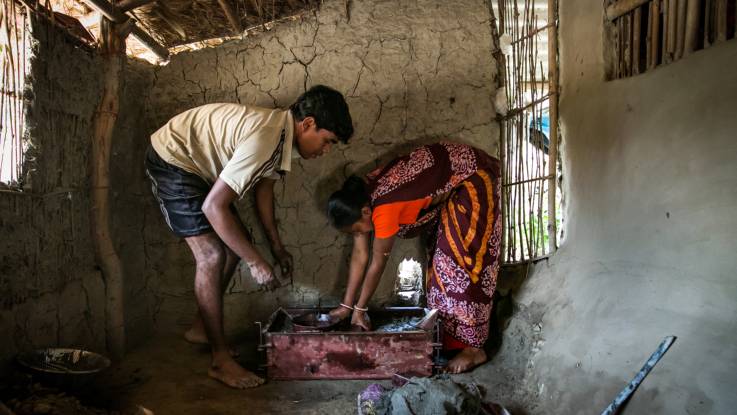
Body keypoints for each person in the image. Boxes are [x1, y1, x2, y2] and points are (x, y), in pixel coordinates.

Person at [145, 85, 353, 389]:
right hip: (173, 159)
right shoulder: (265, 139)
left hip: (196, 169)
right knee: (213, 255)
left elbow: (264, 191)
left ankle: (202, 328)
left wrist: (277, 249)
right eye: (327, 141)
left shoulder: (281, 138)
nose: (326, 151)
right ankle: (220, 361)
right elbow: (214, 207)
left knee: (233, 246)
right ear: (308, 124)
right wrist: (256, 263)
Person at [327, 142, 501, 374]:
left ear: (365, 213)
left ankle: (473, 349)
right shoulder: (361, 201)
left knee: (460, 265)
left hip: (474, 179)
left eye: (357, 230)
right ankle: (452, 343)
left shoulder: (383, 209)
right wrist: (346, 306)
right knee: (440, 267)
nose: (359, 235)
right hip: (453, 186)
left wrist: (360, 311)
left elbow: (377, 263)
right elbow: (360, 255)